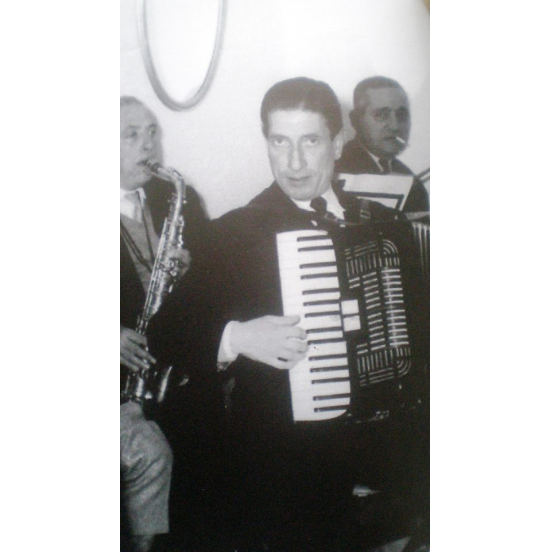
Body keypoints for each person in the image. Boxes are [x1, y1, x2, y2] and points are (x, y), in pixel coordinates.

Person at [149, 78, 429, 551]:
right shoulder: (236, 232)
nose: (294, 162)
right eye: (280, 142)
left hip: (391, 444)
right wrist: (237, 338)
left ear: (337, 144)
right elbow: (165, 333)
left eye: (310, 141)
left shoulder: (386, 223)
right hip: (294, 462)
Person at [119, 96, 208, 552]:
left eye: (152, 132)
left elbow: (218, 274)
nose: (148, 144)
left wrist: (193, 266)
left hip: (174, 368)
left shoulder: (177, 195)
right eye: (132, 134)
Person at [336, 76, 430, 218]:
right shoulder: (336, 169)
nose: (395, 126)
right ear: (355, 120)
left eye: (401, 115)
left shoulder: (411, 181)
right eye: (381, 115)